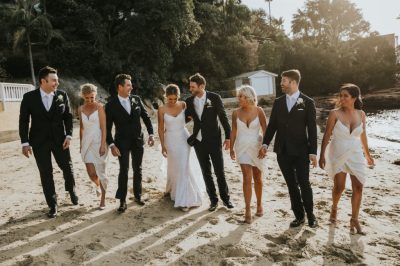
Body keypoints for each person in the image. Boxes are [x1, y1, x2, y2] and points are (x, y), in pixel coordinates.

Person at [258, 69, 318, 228]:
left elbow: (312, 129)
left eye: (284, 80)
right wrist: (265, 144)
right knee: (291, 185)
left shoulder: (308, 102)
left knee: (304, 183)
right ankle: (299, 216)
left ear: (293, 82)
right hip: (282, 151)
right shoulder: (278, 102)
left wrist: (313, 152)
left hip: (301, 151)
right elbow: (272, 126)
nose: (281, 84)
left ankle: (311, 215)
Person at [19, 66, 78, 218]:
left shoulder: (62, 95)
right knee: (46, 173)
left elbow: (68, 117)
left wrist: (69, 135)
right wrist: (25, 143)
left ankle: (71, 190)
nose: (57, 83)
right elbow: (24, 121)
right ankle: (52, 205)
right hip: (39, 142)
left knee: (67, 167)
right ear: (43, 81)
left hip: (60, 140)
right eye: (54, 81)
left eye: (57, 80)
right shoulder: (29, 97)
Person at [319, 83, 374, 235]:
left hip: (355, 153)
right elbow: (327, 135)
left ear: (354, 98)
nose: (341, 98)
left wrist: (368, 155)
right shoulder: (334, 114)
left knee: (359, 187)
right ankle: (334, 208)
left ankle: (354, 219)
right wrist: (322, 154)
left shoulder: (361, 114)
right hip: (337, 151)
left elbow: (363, 136)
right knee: (340, 186)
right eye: (340, 95)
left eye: (345, 96)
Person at [105, 74, 154, 213]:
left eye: (131, 85)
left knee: (138, 169)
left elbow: (146, 117)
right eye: (128, 85)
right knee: (124, 171)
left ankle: (138, 196)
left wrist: (151, 134)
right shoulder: (110, 105)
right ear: (120, 87)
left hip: (138, 140)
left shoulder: (136, 99)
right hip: (121, 143)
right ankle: (122, 201)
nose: (131, 87)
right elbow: (107, 128)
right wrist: (112, 145)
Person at [185, 73, 234, 211]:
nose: (191, 89)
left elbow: (223, 118)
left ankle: (226, 199)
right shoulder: (189, 101)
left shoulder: (214, 98)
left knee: (219, 172)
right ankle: (213, 200)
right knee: (206, 172)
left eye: (193, 87)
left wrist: (228, 137)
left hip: (214, 140)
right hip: (199, 141)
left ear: (202, 86)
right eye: (190, 87)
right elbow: (186, 118)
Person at [157, 84, 204, 211]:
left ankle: (185, 200)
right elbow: (161, 129)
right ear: (165, 97)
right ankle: (172, 188)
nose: (172, 101)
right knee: (174, 166)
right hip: (170, 140)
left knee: (184, 166)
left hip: (184, 138)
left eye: (174, 99)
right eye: (169, 99)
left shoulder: (184, 104)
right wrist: (163, 146)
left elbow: (191, 117)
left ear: (178, 96)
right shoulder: (161, 109)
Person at [230, 85, 267, 224]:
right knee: (247, 177)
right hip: (242, 147)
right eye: (239, 96)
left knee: (258, 177)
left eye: (241, 96)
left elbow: (265, 130)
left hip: (257, 147)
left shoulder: (259, 111)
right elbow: (233, 131)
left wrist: (264, 146)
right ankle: (247, 210)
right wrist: (232, 148)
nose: (239, 98)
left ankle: (259, 205)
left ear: (249, 97)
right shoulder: (235, 113)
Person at [79, 83, 108, 209]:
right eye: (87, 98)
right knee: (91, 173)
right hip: (86, 143)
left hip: (98, 141)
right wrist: (81, 144)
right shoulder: (80, 109)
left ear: (95, 96)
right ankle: (97, 186)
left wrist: (103, 145)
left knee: (101, 172)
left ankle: (103, 199)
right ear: (83, 97)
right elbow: (81, 128)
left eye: (92, 97)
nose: (90, 100)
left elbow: (103, 127)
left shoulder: (100, 107)